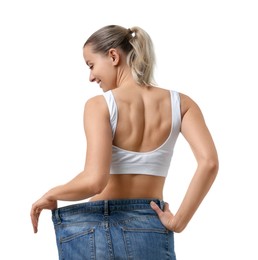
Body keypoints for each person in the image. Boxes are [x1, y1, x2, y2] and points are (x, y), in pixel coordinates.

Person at [30, 25, 219, 260]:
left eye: (91, 65)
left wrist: (52, 193)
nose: (90, 77)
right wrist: (178, 221)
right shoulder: (181, 104)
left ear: (113, 56)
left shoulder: (99, 105)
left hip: (92, 227)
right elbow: (209, 162)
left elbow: (94, 181)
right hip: (149, 226)